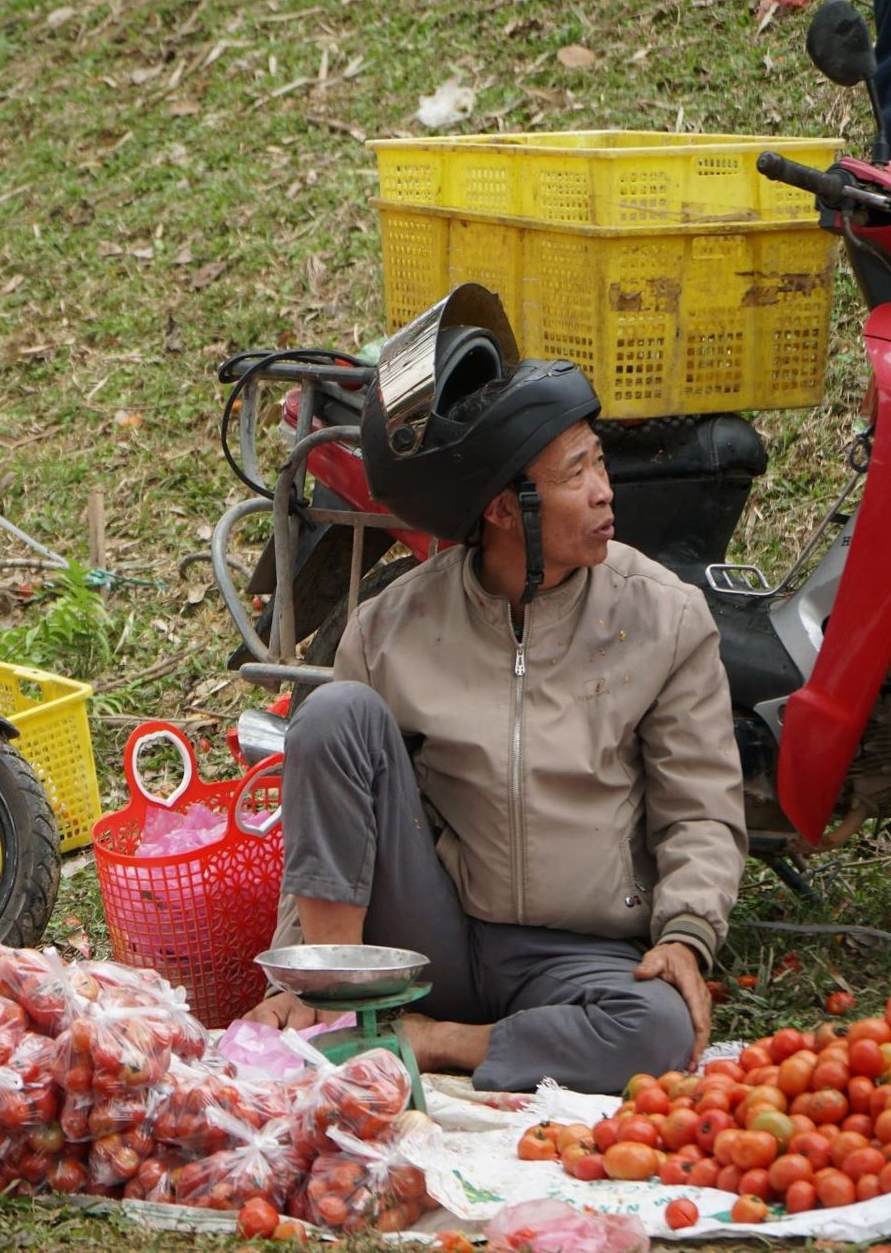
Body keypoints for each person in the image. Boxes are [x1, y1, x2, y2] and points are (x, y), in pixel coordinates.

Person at [247, 312, 747, 1094]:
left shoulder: (665, 617)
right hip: (432, 935)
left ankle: (437, 1041)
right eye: (576, 473)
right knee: (332, 715)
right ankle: (334, 1007)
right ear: (505, 509)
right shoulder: (389, 629)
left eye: (599, 463)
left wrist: (686, 935)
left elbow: (700, 810)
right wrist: (294, 973)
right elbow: (328, 829)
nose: (605, 492)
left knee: (657, 1028)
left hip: (577, 952)